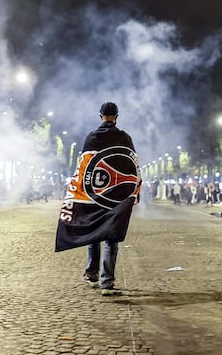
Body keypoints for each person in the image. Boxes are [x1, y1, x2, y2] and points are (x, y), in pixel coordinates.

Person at [68, 101, 140, 296]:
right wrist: (135, 192)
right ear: (116, 116)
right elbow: (133, 167)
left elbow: (83, 166)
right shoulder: (124, 138)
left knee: (94, 231)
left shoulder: (91, 138)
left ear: (100, 116)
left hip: (95, 194)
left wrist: (78, 190)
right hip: (116, 196)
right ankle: (106, 282)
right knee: (111, 237)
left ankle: (92, 273)